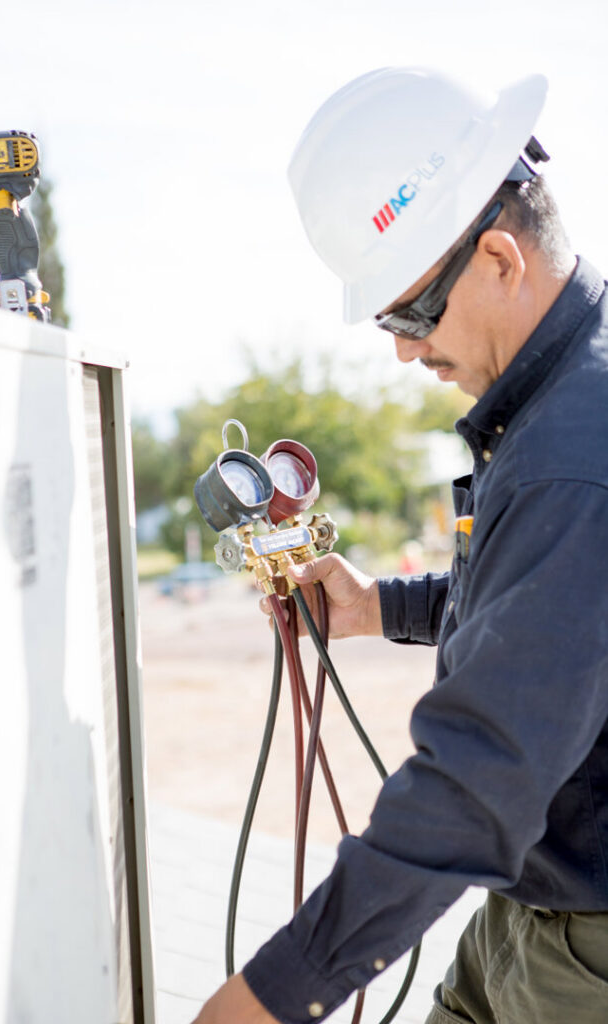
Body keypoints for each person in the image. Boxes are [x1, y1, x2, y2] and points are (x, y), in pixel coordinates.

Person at [191, 66, 608, 1023]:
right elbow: (544, 606)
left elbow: (476, 781)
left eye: (411, 313)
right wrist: (382, 606)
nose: (404, 351)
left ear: (499, 258)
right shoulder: (552, 405)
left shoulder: (572, 456)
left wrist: (269, 998)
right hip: (529, 910)